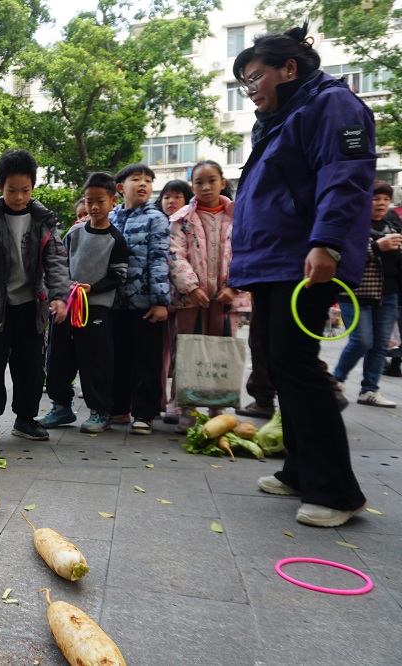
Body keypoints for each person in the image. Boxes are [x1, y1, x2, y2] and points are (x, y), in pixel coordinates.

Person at [230, 21, 374, 527]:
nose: (250, 91)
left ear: (288, 69)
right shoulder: (279, 119)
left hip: (305, 260)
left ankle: (337, 492)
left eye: (254, 78)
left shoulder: (332, 105)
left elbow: (347, 175)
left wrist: (327, 241)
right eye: (244, 83)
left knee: (296, 361)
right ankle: (298, 468)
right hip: (273, 263)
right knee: (277, 360)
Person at [0, 149, 71, 442]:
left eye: (24, 190)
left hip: (31, 306)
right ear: (0, 187)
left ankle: (25, 419)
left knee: (30, 368)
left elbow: (56, 260)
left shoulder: (43, 219)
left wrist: (58, 296)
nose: (18, 197)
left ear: (32, 187)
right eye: (11, 190)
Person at [38, 171, 128, 434]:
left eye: (100, 201)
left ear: (113, 201)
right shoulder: (74, 233)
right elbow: (58, 264)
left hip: (96, 308)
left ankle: (100, 411)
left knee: (95, 360)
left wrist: (92, 288)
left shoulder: (116, 239)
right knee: (58, 358)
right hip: (66, 306)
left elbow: (119, 275)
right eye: (89, 201)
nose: (94, 207)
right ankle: (60, 406)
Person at [167, 160, 251, 431]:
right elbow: (174, 254)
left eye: (211, 180)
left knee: (221, 352)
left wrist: (234, 287)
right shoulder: (181, 219)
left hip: (226, 300)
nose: (205, 187)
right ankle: (186, 407)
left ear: (222, 183)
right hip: (191, 298)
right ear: (192, 187)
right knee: (188, 352)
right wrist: (191, 286)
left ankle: (219, 406)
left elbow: (246, 252)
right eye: (199, 182)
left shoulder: (239, 217)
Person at [109, 164, 171, 435]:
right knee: (117, 357)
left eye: (148, 180)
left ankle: (144, 413)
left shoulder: (156, 219)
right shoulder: (110, 217)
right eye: (137, 179)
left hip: (146, 304)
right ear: (121, 188)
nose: (143, 184)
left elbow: (159, 260)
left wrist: (160, 301)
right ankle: (119, 408)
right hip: (114, 303)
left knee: (146, 360)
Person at [331, 181, 402, 407]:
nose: (381, 203)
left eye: (385, 199)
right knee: (361, 341)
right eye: (375, 198)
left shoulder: (393, 226)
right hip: (354, 292)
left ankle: (369, 390)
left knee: (381, 345)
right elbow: (342, 257)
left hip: (388, 293)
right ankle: (334, 382)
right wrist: (376, 247)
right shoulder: (352, 225)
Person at [154, 179, 194, 424]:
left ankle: (175, 403)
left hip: (184, 297)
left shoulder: (189, 223)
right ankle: (156, 400)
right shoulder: (156, 222)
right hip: (159, 299)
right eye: (166, 196)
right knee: (160, 354)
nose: (170, 201)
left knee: (181, 352)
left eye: (177, 196)